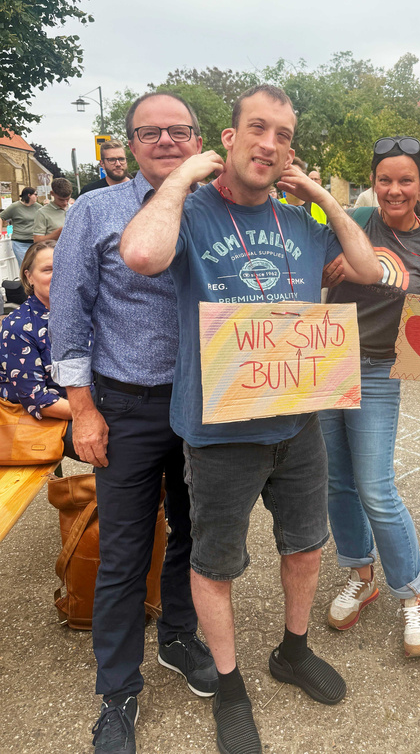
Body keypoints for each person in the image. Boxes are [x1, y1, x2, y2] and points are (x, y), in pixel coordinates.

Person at [120, 83, 382, 754]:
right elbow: (143, 255)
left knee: (303, 543)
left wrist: (322, 197)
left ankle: (292, 651)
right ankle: (230, 685)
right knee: (216, 560)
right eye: (257, 129)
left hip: (297, 422)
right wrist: (180, 174)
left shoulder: (301, 221)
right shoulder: (189, 210)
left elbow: (366, 268)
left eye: (284, 135)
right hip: (218, 431)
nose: (271, 144)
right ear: (230, 138)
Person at [49, 92, 218, 754]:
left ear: (200, 138)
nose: (167, 141)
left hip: (205, 404)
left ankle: (177, 634)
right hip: (127, 406)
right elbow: (69, 320)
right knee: (123, 554)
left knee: (195, 533)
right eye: (152, 132)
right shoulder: (95, 212)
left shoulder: (219, 208)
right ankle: (117, 690)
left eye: (181, 131)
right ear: (131, 142)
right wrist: (84, 409)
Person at [318, 137, 420, 657]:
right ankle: (360, 574)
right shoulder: (350, 220)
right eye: (384, 180)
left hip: (377, 370)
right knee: (338, 483)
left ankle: (413, 593)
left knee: (375, 487)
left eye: (405, 180)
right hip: (327, 361)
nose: (394, 190)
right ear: (373, 183)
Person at [0, 241, 76, 458]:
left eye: (63, 268)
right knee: (118, 445)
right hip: (36, 418)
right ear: (29, 277)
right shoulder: (17, 326)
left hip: (81, 405)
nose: (58, 275)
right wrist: (93, 413)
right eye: (48, 269)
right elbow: (37, 400)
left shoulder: (80, 314)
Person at [280, 157, 328, 223]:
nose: (293, 180)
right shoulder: (275, 208)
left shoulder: (320, 208)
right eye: (289, 175)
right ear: (282, 179)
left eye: (296, 175)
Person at [1, 187, 40, 263]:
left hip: (34, 242)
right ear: (29, 195)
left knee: (36, 266)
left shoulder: (38, 207)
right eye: (35, 194)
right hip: (20, 243)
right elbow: (1, 217)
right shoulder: (15, 207)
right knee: (25, 266)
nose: (37, 196)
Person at [33, 178, 72, 243]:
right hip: (53, 251)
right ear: (52, 193)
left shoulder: (74, 209)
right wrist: (55, 235)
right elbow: (37, 240)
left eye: (67, 199)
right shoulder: (42, 213)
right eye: (61, 200)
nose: (65, 203)